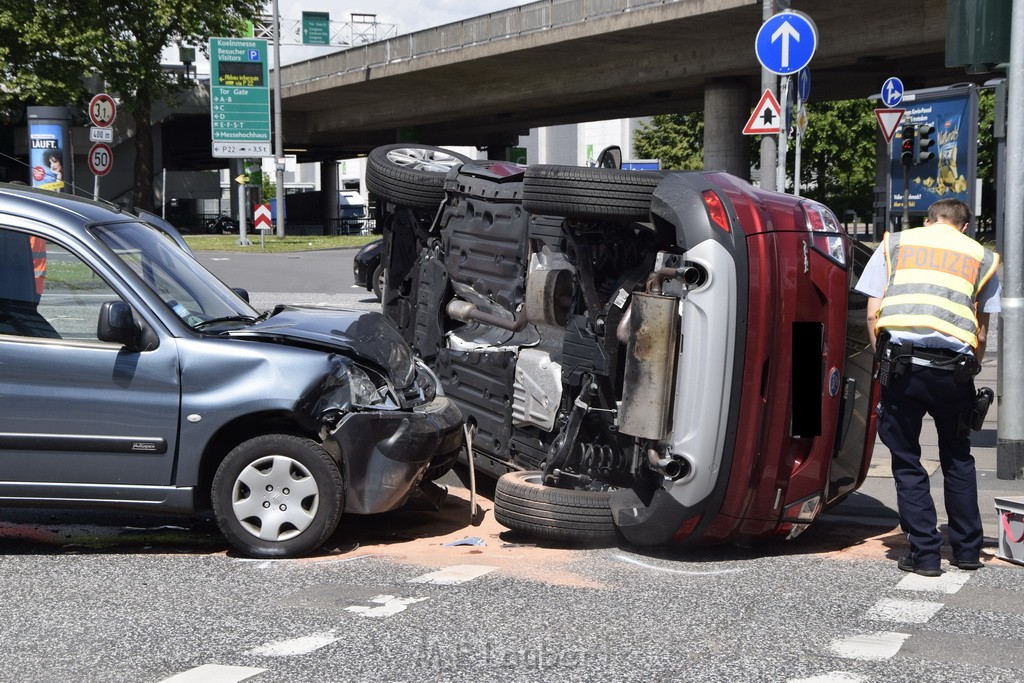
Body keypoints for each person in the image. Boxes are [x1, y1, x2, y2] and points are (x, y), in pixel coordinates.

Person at [856, 199, 1000, 577]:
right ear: (964, 227)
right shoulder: (983, 257)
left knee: (906, 459)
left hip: (903, 367)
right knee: (957, 455)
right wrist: (972, 367)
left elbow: (873, 312)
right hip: (954, 372)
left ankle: (925, 555)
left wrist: (882, 361)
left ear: (929, 220)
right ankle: (968, 550)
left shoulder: (895, 244)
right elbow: (981, 331)